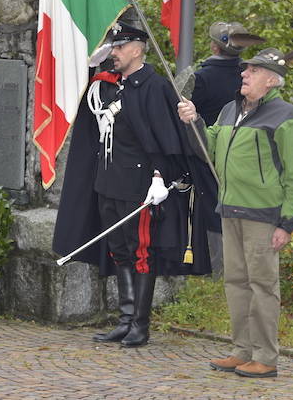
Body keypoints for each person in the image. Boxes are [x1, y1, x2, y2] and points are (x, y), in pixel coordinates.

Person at [53, 22, 213, 348]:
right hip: (108, 183)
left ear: (138, 49)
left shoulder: (155, 87)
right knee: (119, 251)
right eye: (113, 47)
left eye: (119, 47)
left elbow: (164, 139)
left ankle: (140, 324)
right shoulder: (113, 86)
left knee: (142, 253)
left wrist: (158, 178)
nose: (114, 52)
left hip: (140, 186)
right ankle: (124, 320)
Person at [177, 47, 293, 378]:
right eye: (245, 70)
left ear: (271, 80)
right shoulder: (228, 110)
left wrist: (287, 223)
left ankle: (265, 357)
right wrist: (193, 120)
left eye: (252, 71)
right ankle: (242, 350)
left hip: (263, 215)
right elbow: (207, 145)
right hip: (230, 209)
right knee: (236, 282)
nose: (243, 74)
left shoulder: (286, 116)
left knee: (263, 285)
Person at [190, 22, 264, 275]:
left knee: (213, 207)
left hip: (210, 151)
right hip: (247, 153)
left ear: (213, 46)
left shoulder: (201, 79)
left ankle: (218, 268)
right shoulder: (252, 77)